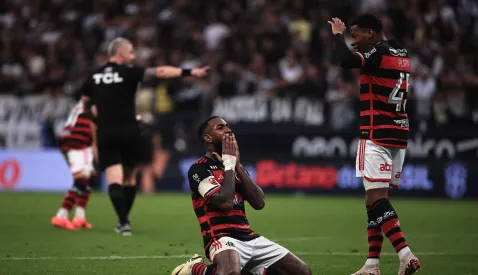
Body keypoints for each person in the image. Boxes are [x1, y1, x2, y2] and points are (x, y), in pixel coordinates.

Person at [80, 37, 209, 236]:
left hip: (106, 131)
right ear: (120, 53)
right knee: (130, 178)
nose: (132, 56)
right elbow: (161, 72)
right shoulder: (129, 72)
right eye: (130, 52)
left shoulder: (94, 76)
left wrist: (95, 122)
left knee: (114, 179)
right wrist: (189, 72)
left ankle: (123, 221)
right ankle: (124, 219)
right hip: (129, 130)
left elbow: (85, 105)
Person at [328, 14, 420, 275]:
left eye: (355, 35)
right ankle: (372, 264)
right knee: (373, 201)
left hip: (376, 133)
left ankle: (406, 255)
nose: (353, 41)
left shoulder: (376, 52)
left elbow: (346, 61)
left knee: (377, 200)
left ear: (371, 33)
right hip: (398, 133)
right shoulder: (400, 51)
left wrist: (338, 34)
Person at [171, 116, 311, 275]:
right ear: (208, 138)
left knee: (303, 272)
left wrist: (237, 166)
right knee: (230, 273)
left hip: (249, 237)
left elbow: (259, 203)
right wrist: (229, 165)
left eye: (228, 126)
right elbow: (225, 203)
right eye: (220, 128)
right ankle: (195, 269)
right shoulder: (199, 169)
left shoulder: (235, 168)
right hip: (221, 239)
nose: (228, 130)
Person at [51, 99, 97, 230]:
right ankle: (61, 216)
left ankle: (80, 217)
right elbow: (94, 124)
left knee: (91, 176)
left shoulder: (83, 103)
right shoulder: (95, 101)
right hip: (77, 142)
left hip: (74, 141)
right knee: (81, 180)